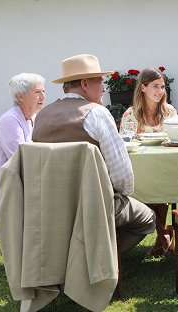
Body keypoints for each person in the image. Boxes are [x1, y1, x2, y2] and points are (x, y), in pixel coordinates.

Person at [32, 54, 156, 254]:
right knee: (147, 218)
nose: (104, 88)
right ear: (84, 84)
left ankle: (71, 257)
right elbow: (123, 177)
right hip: (93, 207)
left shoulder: (41, 116)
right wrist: (119, 195)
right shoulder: (97, 113)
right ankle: (96, 259)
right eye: (100, 82)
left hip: (48, 207)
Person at [120, 67, 177, 256]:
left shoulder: (169, 112)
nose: (160, 91)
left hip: (166, 167)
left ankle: (162, 238)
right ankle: (164, 235)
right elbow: (124, 142)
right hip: (140, 170)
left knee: (161, 184)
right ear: (143, 88)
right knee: (148, 184)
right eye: (155, 86)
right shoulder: (131, 114)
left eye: (162, 87)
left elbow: (175, 140)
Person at [0, 73, 45, 232]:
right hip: (6, 186)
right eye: (37, 92)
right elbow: (21, 158)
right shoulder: (9, 120)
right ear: (21, 96)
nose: (43, 96)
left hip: (24, 180)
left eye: (43, 91)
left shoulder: (33, 118)